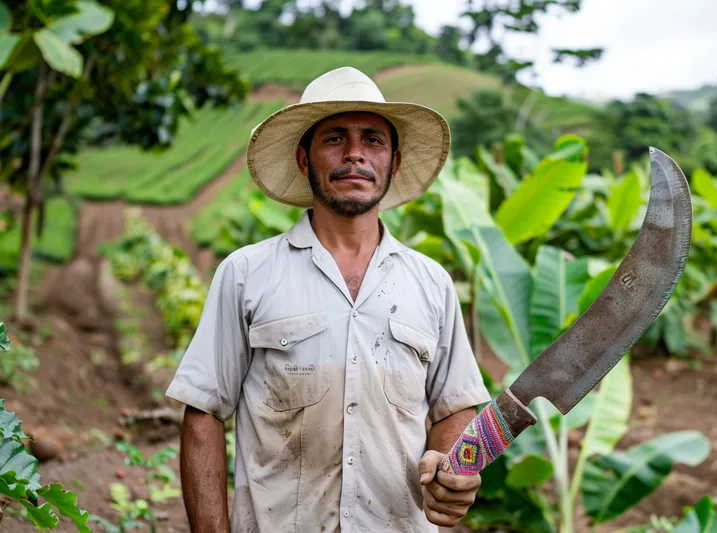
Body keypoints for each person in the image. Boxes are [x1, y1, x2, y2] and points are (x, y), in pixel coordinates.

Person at [165, 66, 491, 533]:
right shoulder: (247, 274)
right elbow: (203, 412)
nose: (355, 154)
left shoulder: (431, 283)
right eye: (335, 138)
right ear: (304, 159)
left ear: (394, 162)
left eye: (374, 140)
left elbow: (454, 405)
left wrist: (448, 463)